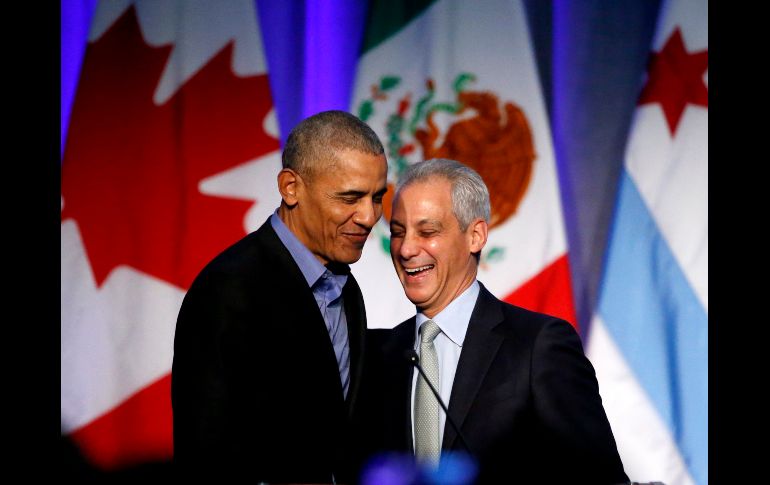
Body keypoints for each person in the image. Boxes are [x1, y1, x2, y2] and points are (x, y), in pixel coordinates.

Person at [361, 158, 628, 484]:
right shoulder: (377, 355)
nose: (405, 249)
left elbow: (601, 479)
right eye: (398, 232)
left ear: (475, 236)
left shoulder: (538, 346)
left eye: (427, 231)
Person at [171, 110, 388, 483]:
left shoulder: (346, 288)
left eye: (377, 197)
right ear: (291, 187)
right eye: (350, 197)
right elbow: (204, 453)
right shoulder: (229, 289)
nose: (369, 217)